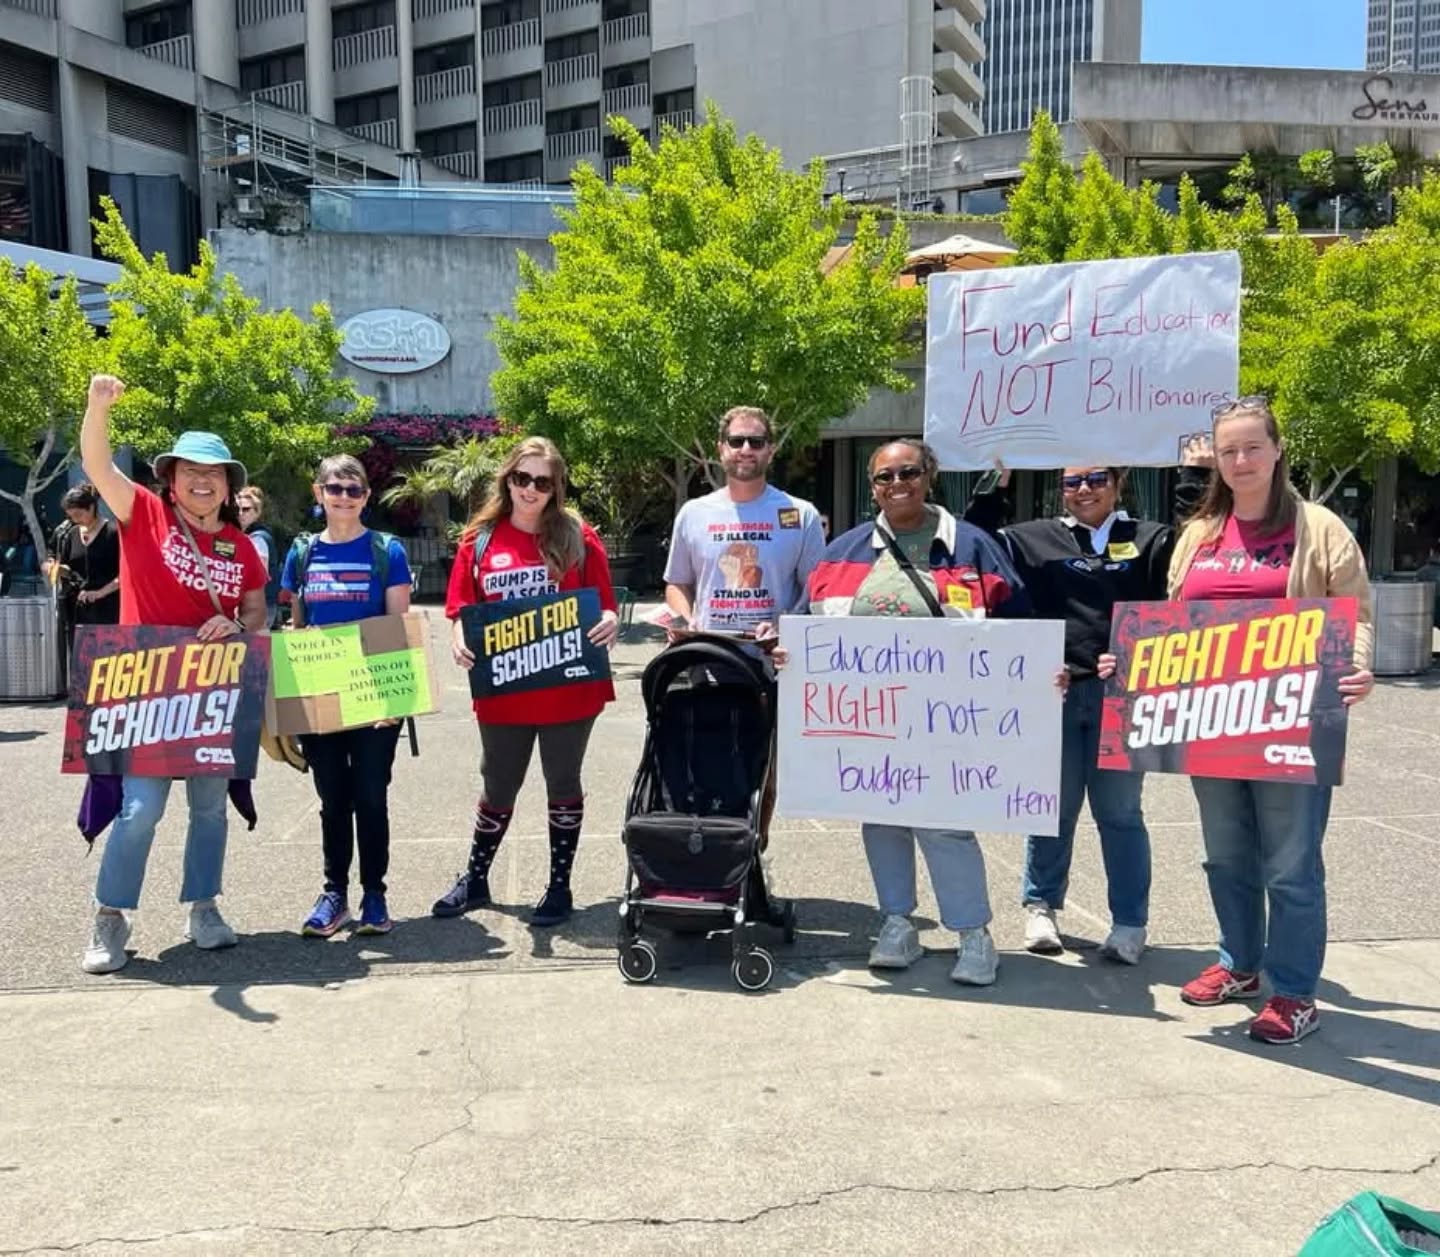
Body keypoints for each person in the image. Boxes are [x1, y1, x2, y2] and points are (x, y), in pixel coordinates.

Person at [1104, 397, 1374, 1045]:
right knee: (1225, 856)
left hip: (1292, 714)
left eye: (1253, 447)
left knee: (1290, 862)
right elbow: (1174, 619)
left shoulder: (1320, 528)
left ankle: (1293, 991)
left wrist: (1356, 667)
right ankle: (1239, 963)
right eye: (1229, 451)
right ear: (1217, 460)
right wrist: (1135, 663)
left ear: (1277, 449)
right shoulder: (1199, 534)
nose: (1241, 460)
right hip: (1213, 720)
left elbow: (1355, 613)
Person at [799, 438, 1036, 986]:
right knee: (881, 820)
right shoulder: (844, 551)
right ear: (872, 487)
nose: (896, 484)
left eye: (908, 473)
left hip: (947, 720)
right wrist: (789, 652)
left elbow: (1020, 624)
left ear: (929, 477)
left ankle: (973, 934)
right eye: (884, 477)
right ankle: (897, 922)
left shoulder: (972, 546)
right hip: (869, 720)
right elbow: (806, 624)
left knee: (944, 825)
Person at [964, 448, 1212, 964]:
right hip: (1052, 694)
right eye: (1073, 480)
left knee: (1121, 814)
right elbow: (976, 545)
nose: (1084, 489)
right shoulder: (1029, 539)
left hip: (1125, 699)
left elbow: (1197, 551)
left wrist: (1196, 475)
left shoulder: (1151, 539)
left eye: (1097, 478)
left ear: (1119, 483)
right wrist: (996, 479)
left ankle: (1129, 923)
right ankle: (1041, 905)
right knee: (1050, 809)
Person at [76, 374, 268, 975]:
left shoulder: (241, 547)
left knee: (209, 808)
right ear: (172, 477)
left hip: (212, 691)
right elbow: (97, 463)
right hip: (146, 689)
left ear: (228, 484)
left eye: (214, 473)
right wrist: (97, 407)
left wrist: (238, 627)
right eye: (191, 470)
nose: (203, 480)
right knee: (139, 808)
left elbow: (258, 610)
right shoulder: (145, 513)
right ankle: (110, 917)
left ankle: (203, 906)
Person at [433, 437, 620, 927]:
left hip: (568, 687)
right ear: (507, 479)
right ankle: (475, 879)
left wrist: (609, 622)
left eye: (542, 481)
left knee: (562, 783)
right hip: (504, 688)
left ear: (556, 486)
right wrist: (457, 638)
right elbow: (461, 608)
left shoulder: (579, 534)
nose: (530, 490)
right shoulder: (480, 540)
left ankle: (559, 887)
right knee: (498, 785)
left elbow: (603, 603)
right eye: (522, 478)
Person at [281, 456, 412, 938]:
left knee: (371, 798)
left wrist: (395, 699)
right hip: (322, 694)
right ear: (318, 493)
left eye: (353, 490)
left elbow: (397, 628)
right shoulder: (301, 554)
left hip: (374, 693)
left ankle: (374, 893)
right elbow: (296, 632)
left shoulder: (386, 551)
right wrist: (293, 708)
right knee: (333, 800)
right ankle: (334, 893)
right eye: (333, 489)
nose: (343, 497)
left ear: (365, 497)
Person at [664, 406, 826, 635]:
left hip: (777, 661)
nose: (746, 449)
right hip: (708, 656)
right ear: (721, 449)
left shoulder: (800, 514)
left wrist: (785, 627)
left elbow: (816, 589)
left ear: (770, 451)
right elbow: (678, 583)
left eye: (757, 442)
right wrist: (685, 620)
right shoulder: (693, 513)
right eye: (736, 441)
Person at [44, 483, 122, 664]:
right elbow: (70, 570)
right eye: (71, 517)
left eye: (79, 515)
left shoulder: (113, 532)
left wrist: (100, 593)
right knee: (81, 662)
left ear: (92, 507)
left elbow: (127, 574)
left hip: (108, 608)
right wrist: (54, 568)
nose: (75, 520)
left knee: (108, 660)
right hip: (77, 609)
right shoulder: (70, 535)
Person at [237, 485, 281, 628]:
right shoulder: (247, 536)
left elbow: (259, 577)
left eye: (246, 509)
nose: (240, 513)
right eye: (237, 509)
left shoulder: (257, 538)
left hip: (260, 608)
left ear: (257, 512)